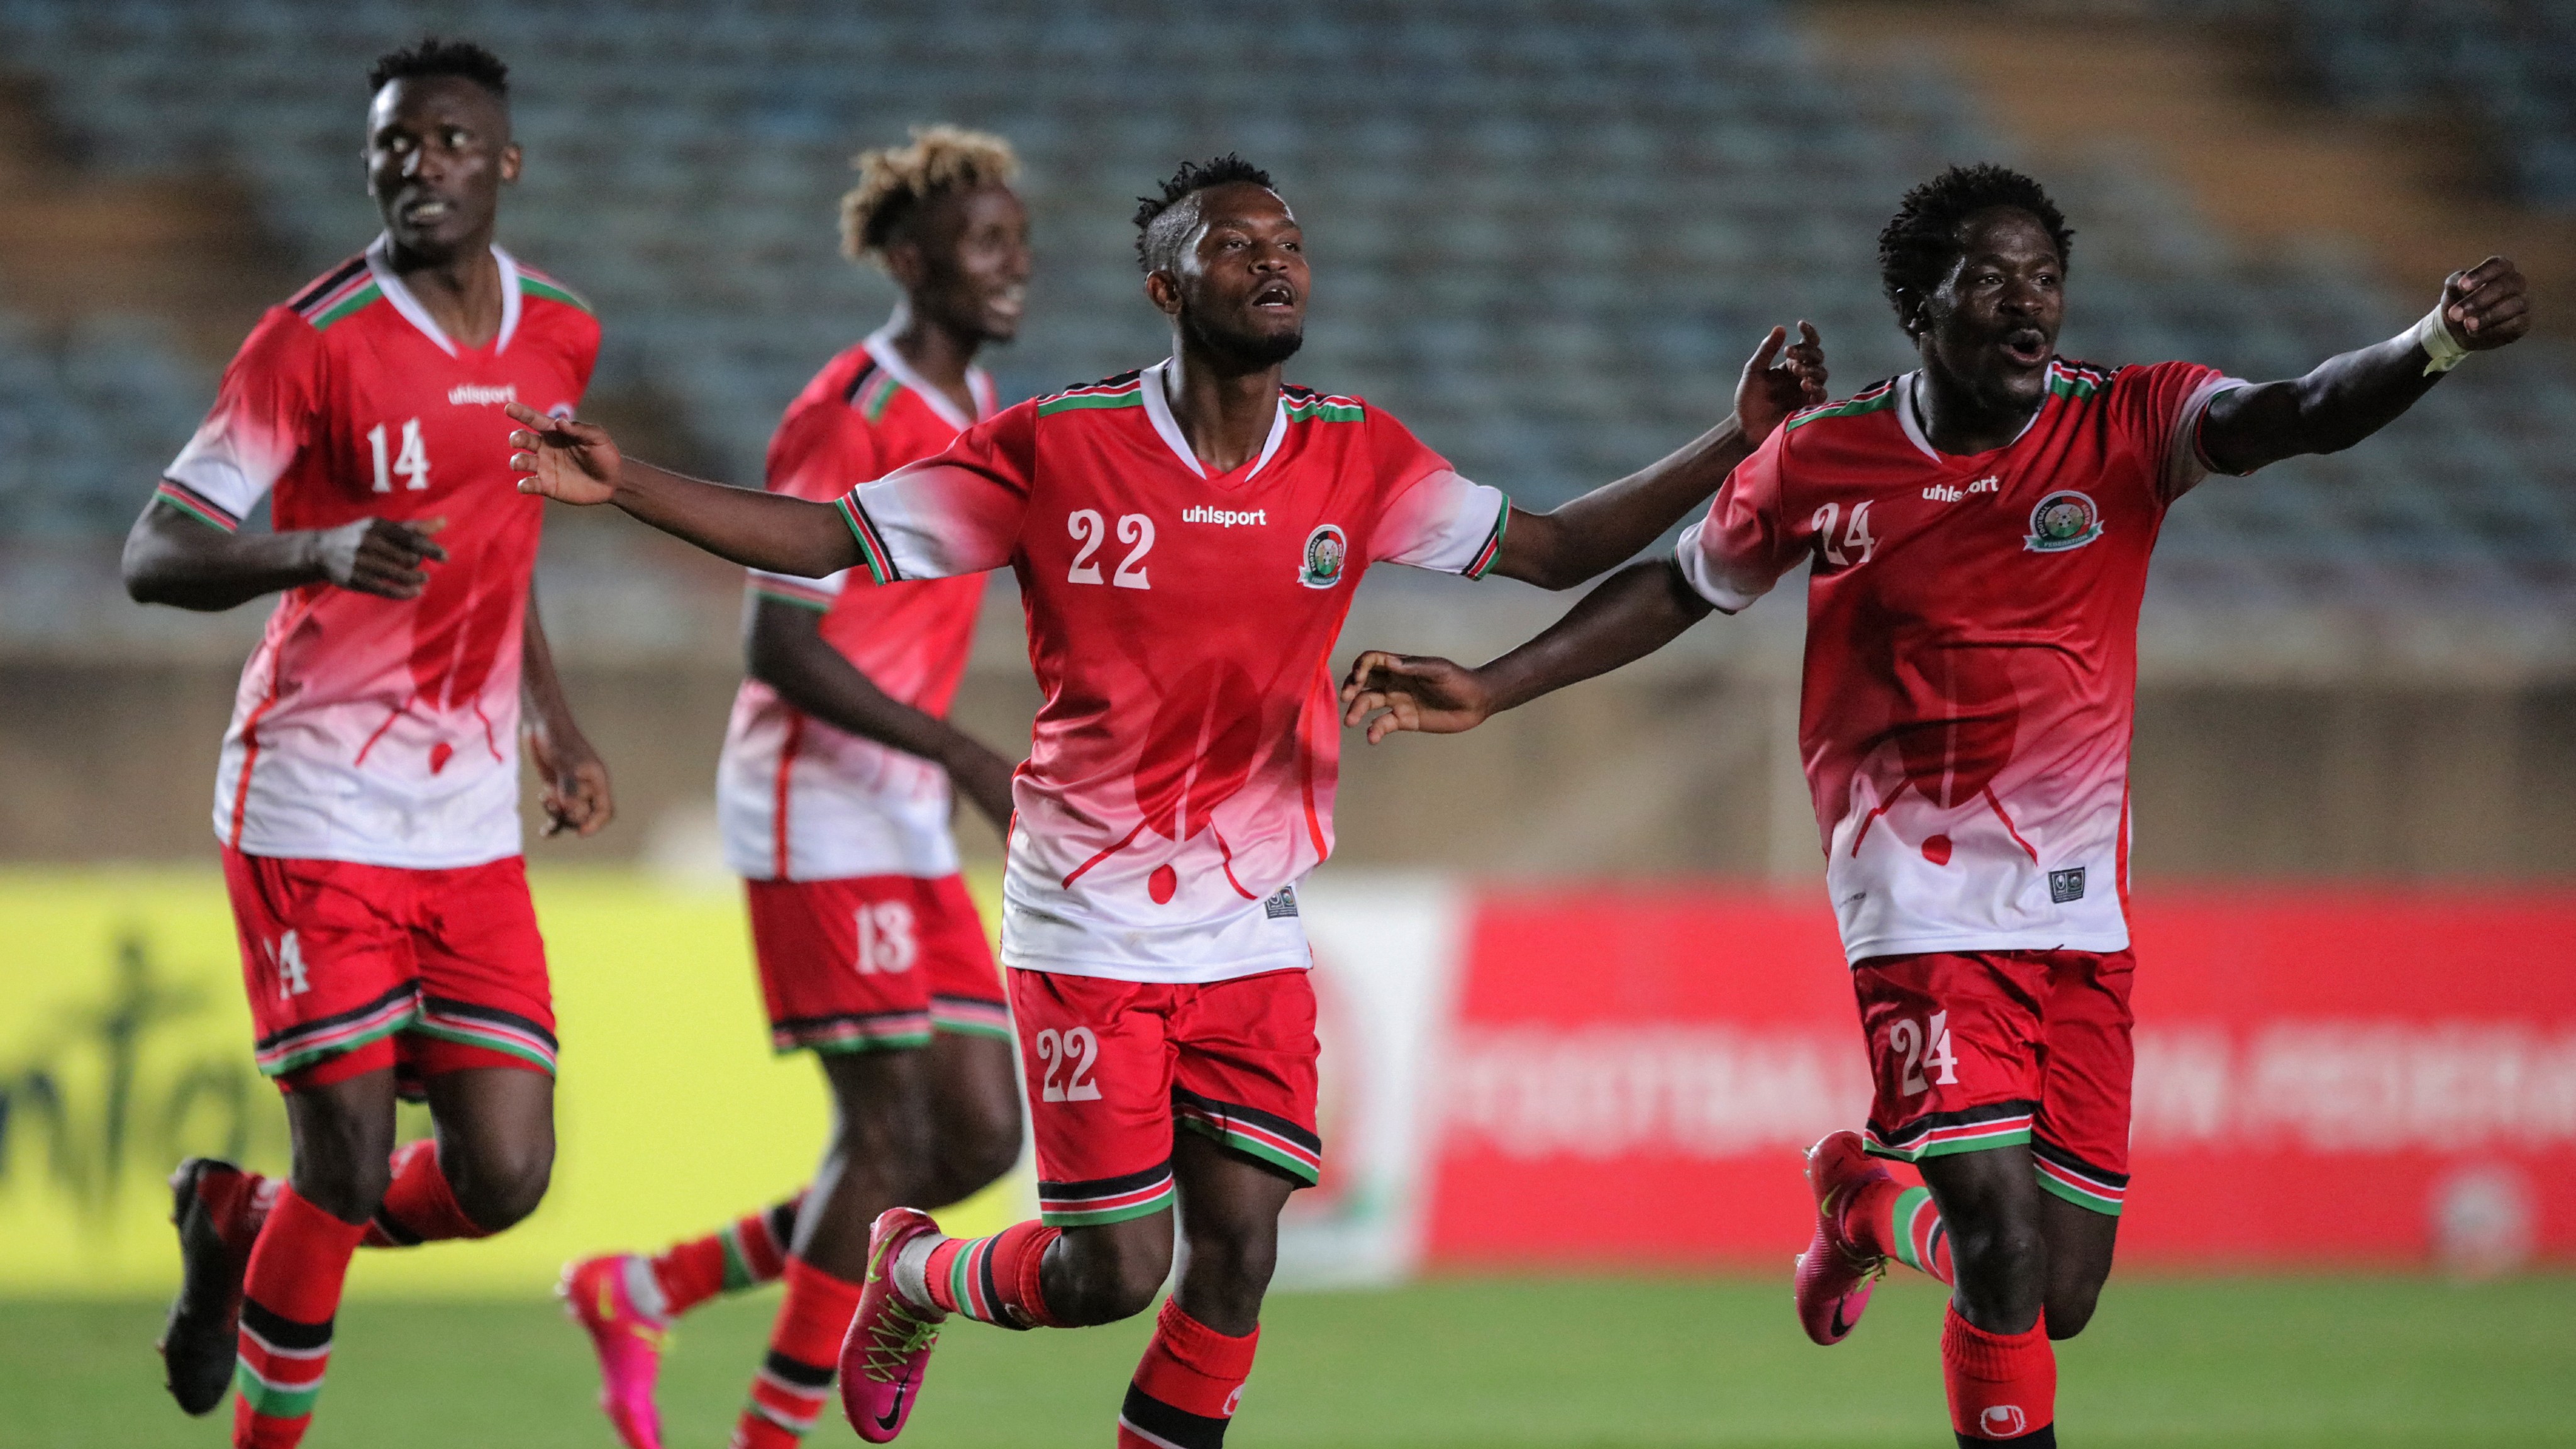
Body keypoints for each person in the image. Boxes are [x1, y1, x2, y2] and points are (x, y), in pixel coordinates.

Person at [506, 154, 1824, 1445]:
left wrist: (1732, 438)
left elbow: (1552, 550)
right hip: (1086, 914)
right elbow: (833, 536)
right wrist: (629, 490)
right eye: (1236, 245)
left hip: (1249, 911)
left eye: (1289, 243)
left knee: (1240, 1253)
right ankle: (911, 1274)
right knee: (1110, 1273)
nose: (1274, 263)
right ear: (1164, 288)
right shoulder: (1056, 446)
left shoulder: (1353, 453)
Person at [1336, 163, 2530, 1447]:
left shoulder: (2126, 421)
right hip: (1912, 900)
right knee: (1999, 1249)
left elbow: (2294, 411)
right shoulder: (1821, 456)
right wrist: (1493, 687)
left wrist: (2433, 343)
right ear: (1920, 305)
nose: (2028, 302)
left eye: (2045, 279)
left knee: (2055, 1293)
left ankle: (1856, 1201)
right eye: (1991, 279)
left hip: (2077, 920)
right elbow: (1681, 587)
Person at [121, 37, 613, 1449]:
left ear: (503, 164)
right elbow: (156, 554)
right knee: (341, 1166)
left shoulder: (559, 338)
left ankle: (233, 1223)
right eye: (395, 143)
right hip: (311, 806)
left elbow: (508, 549)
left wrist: (554, 724)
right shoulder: (311, 339)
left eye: (450, 141)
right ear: (371, 163)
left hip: (464, 829)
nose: (420, 165)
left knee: (506, 1173)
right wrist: (316, 546)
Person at [557, 125, 1031, 1449]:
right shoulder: (853, 410)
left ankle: (645, 1288)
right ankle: (771, 1433)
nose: (1014, 265)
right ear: (905, 255)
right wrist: (964, 754)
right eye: (984, 241)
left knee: (980, 1133)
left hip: (900, 810)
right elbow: (780, 640)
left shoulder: (981, 413)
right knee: (883, 1134)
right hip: (814, 802)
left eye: (1019, 241)